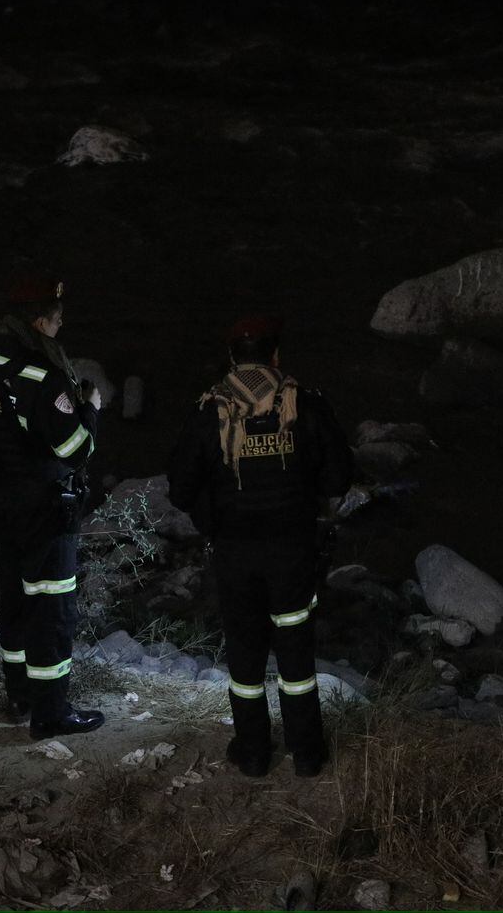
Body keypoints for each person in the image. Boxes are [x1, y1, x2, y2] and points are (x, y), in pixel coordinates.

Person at [167, 316, 353, 778]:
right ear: (275, 356)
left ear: (232, 358)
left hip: (233, 554)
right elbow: (339, 478)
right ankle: (307, 754)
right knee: (296, 657)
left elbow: (180, 488)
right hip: (292, 552)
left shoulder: (209, 411)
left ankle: (252, 753)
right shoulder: (305, 405)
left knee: (245, 658)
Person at [0, 277, 106, 739]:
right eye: (58, 319)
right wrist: (91, 410)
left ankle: (20, 695)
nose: (61, 327)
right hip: (43, 502)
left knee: (15, 598)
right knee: (52, 607)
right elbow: (75, 448)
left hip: (1, 494)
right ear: (39, 321)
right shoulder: (41, 377)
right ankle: (51, 713)